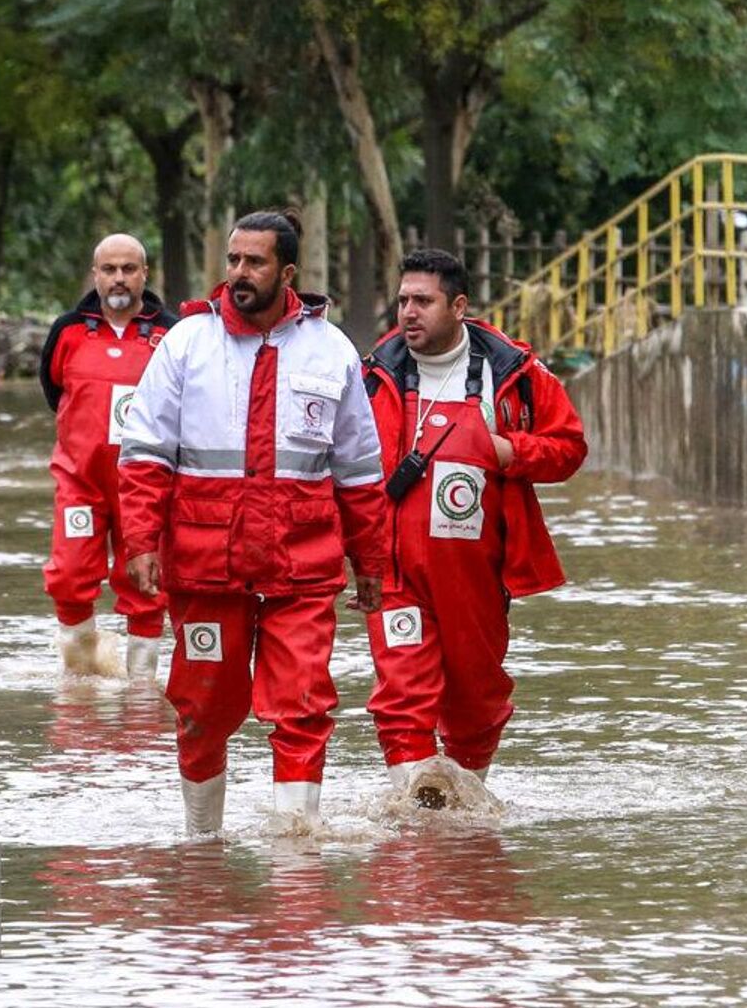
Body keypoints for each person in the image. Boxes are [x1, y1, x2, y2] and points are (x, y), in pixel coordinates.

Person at [116, 210, 389, 836]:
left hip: (302, 564)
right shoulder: (186, 343)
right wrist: (139, 542)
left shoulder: (332, 349)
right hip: (206, 564)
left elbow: (359, 472)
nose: (239, 273)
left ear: (287, 271)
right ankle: (201, 845)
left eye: (254, 262)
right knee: (202, 705)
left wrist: (371, 564)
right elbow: (144, 454)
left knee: (302, 705)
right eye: (233, 260)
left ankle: (297, 860)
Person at [361, 248, 586, 807]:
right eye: (403, 300)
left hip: (477, 574)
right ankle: (416, 830)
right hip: (393, 571)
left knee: (477, 697)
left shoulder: (514, 373)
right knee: (401, 693)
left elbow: (570, 448)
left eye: (424, 301)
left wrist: (510, 450)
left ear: (458, 306)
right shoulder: (373, 374)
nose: (408, 312)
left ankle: (463, 820)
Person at [40, 233, 178, 678]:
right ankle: (79, 679)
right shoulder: (67, 331)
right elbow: (54, 390)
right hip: (81, 480)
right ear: (95, 274)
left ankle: (141, 692)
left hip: (148, 482)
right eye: (109, 270)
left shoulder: (171, 334)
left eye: (129, 269)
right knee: (68, 574)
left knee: (148, 582)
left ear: (145, 274)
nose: (119, 279)